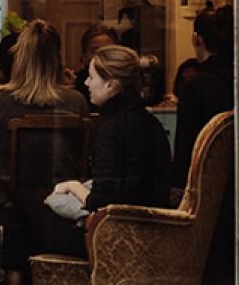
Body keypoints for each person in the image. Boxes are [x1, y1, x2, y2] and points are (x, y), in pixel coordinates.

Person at [0, 21, 90, 273]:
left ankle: (9, 284)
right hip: (59, 204)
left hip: (8, 202)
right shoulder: (75, 101)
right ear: (56, 58)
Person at [48, 45, 173, 232]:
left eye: (91, 77)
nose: (86, 83)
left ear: (110, 85)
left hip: (120, 230)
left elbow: (101, 201)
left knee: (52, 205)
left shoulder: (112, 129)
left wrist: (72, 186)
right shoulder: (151, 123)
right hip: (153, 227)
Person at [172, 6, 236, 285]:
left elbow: (185, 147)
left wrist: (176, 191)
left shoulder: (195, 87)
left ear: (198, 39)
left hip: (204, 193)